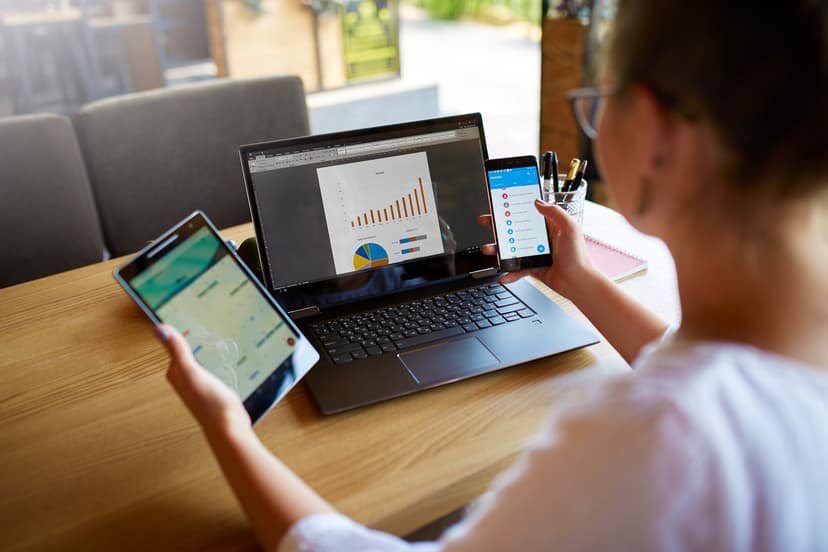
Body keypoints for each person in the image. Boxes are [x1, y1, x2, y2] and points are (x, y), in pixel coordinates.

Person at [155, 0, 828, 549]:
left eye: (599, 102)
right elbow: (731, 380)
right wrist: (582, 283)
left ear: (656, 135)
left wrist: (227, 428)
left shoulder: (657, 440)